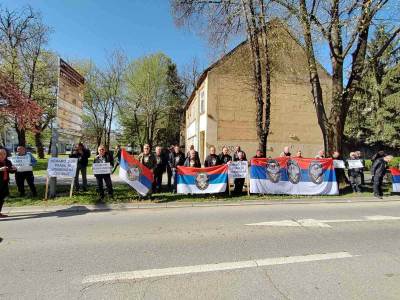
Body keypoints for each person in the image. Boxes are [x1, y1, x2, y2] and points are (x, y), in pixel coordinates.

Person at [0, 149, 16, 218]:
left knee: (2, 198)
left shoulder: (8, 161)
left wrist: (14, 169)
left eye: (4, 154)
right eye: (1, 154)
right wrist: (0, 169)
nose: (3, 155)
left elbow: (11, 171)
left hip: (4, 182)